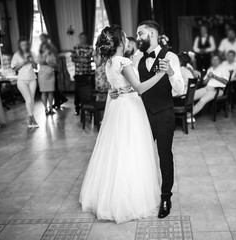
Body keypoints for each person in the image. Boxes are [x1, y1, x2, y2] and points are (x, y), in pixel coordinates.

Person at [79, 25, 168, 223]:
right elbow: (139, 88)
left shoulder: (109, 62)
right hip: (130, 107)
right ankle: (130, 199)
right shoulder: (124, 61)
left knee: (117, 150)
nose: (129, 40)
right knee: (132, 149)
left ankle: (110, 196)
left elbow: (115, 86)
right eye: (125, 38)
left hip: (118, 106)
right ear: (120, 42)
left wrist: (115, 91)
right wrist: (161, 75)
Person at [110, 20, 184, 219]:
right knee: (139, 154)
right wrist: (117, 91)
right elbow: (131, 83)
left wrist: (169, 72)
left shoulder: (171, 57)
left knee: (164, 156)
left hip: (163, 113)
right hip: (141, 114)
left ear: (152, 33)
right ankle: (139, 195)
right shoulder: (136, 58)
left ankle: (166, 197)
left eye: (140, 33)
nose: (137, 37)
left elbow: (181, 89)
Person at [190, 54, 231, 121]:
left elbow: (226, 82)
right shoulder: (210, 69)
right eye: (213, 59)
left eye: (216, 59)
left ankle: (189, 116)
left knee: (202, 100)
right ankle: (188, 113)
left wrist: (214, 76)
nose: (214, 61)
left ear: (219, 61)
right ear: (211, 61)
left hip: (217, 90)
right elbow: (203, 83)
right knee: (191, 96)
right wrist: (208, 77)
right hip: (207, 88)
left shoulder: (224, 69)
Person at [11, 37, 39, 128]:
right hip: (22, 80)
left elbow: (35, 67)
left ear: (28, 45)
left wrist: (31, 61)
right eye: (22, 45)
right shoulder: (16, 55)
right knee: (29, 100)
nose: (24, 46)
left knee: (32, 99)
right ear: (19, 45)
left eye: (25, 44)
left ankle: (30, 118)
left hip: (32, 79)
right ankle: (32, 118)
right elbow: (15, 69)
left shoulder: (33, 54)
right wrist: (23, 62)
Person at [40, 33, 68, 109]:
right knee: (54, 88)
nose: (41, 40)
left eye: (42, 38)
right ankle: (60, 100)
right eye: (40, 38)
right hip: (45, 71)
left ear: (46, 38)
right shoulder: (42, 47)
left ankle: (59, 101)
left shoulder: (50, 47)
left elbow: (55, 58)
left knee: (54, 88)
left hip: (53, 69)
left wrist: (53, 65)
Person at [71, 32, 94, 115]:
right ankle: (77, 108)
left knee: (88, 91)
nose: (83, 39)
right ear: (79, 38)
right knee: (78, 91)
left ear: (86, 38)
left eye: (84, 38)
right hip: (78, 73)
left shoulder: (90, 47)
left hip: (87, 72)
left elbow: (94, 59)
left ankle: (88, 108)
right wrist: (81, 60)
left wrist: (89, 61)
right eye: (81, 38)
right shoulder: (76, 47)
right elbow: (73, 59)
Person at [38, 42, 57, 115]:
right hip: (43, 75)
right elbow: (41, 62)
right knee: (44, 92)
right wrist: (48, 62)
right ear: (41, 48)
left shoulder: (52, 55)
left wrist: (50, 63)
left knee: (51, 92)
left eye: (47, 47)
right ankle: (45, 108)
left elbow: (55, 64)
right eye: (44, 47)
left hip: (51, 74)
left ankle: (51, 108)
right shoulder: (40, 55)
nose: (45, 48)